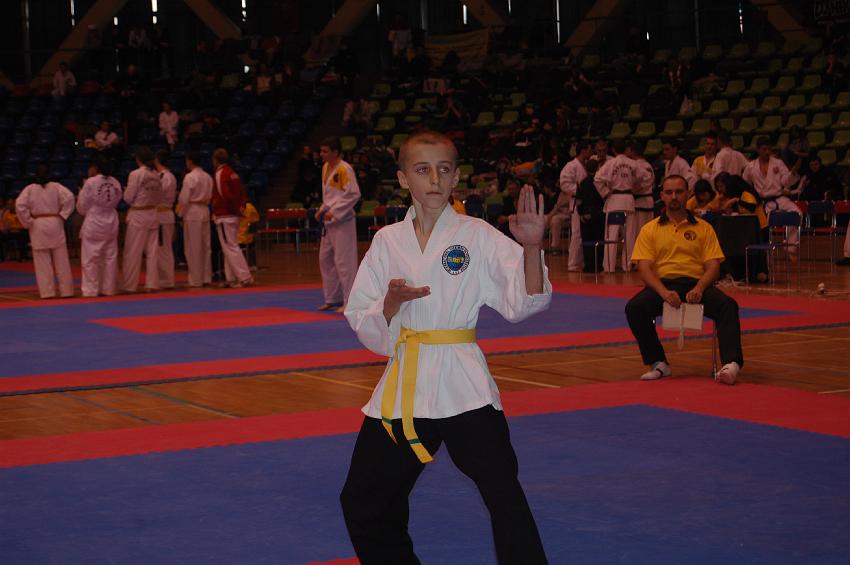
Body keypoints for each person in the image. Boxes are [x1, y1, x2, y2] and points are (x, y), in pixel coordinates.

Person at [341, 130, 550, 564]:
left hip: (462, 381)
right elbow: (361, 314)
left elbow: (523, 301)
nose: (434, 179)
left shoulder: (477, 235)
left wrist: (532, 249)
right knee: (364, 500)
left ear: (456, 177)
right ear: (404, 179)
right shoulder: (386, 241)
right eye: (423, 169)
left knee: (503, 494)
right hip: (405, 384)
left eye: (444, 169)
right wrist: (391, 303)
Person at [626, 175, 743, 385]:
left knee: (728, 306)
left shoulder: (703, 228)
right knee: (635, 308)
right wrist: (663, 293)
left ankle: (731, 364)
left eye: (679, 192)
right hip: (664, 286)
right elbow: (644, 268)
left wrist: (699, 288)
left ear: (687, 194)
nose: (674, 197)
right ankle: (658, 362)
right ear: (662, 196)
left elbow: (713, 267)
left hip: (696, 285)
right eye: (669, 192)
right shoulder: (650, 229)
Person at [15, 166, 75, 299]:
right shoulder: (56, 186)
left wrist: (28, 221)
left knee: (42, 262)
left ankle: (47, 292)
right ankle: (67, 291)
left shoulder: (29, 189)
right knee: (62, 260)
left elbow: (19, 205)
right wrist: (63, 214)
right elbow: (70, 197)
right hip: (55, 222)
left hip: (38, 224)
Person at [316, 137, 360, 311]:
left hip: (343, 221)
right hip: (329, 222)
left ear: (335, 152)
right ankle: (333, 297)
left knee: (344, 262)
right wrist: (323, 209)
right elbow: (331, 196)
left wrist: (334, 211)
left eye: (325, 151)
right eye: (321, 151)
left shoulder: (344, 169)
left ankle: (350, 301)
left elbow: (353, 194)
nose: (321, 154)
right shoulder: (325, 167)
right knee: (325, 259)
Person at [594, 139, 652, 272]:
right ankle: (627, 265)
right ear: (626, 150)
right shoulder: (633, 163)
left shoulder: (610, 163)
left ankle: (609, 267)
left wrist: (606, 192)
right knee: (629, 236)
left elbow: (597, 179)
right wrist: (636, 187)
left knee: (611, 236)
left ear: (613, 150)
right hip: (629, 200)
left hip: (614, 200)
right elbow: (647, 177)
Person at [742, 137, 800, 259]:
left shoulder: (778, 163)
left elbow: (785, 181)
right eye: (764, 149)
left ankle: (790, 247)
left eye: (769, 149)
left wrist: (793, 172)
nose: (767, 152)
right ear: (758, 150)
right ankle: (762, 254)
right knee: (761, 225)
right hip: (763, 202)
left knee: (797, 213)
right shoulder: (751, 166)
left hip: (779, 198)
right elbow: (745, 183)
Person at [76, 157, 122, 297]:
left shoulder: (91, 182)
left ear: (96, 168)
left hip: (95, 221)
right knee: (110, 258)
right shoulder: (116, 182)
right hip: (111, 221)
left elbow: (82, 207)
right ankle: (109, 289)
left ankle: (90, 290)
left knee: (90, 258)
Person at [122, 147, 163, 293]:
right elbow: (159, 197)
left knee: (133, 251)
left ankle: (130, 285)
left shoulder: (136, 174)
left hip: (139, 215)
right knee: (152, 252)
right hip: (152, 213)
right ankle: (152, 284)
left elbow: (128, 198)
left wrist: (125, 191)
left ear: (138, 159)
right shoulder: (156, 175)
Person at [211, 148, 253, 288]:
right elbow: (241, 193)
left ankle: (244, 276)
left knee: (230, 247)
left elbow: (225, 194)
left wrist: (234, 208)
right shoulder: (232, 173)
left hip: (225, 215)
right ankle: (231, 277)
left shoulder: (220, 173)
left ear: (215, 160)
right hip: (233, 215)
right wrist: (240, 208)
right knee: (230, 246)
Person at [177, 151, 213, 287]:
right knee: (205, 246)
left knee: (193, 247)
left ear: (190, 161)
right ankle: (206, 277)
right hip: (204, 210)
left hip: (192, 211)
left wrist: (180, 214)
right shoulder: (208, 177)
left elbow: (183, 198)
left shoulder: (190, 177)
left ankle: (195, 279)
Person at [556, 140, 591, 268]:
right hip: (577, 201)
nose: (591, 152)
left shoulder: (585, 164)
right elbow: (564, 184)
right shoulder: (571, 166)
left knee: (583, 233)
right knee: (577, 232)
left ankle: (581, 261)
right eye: (589, 150)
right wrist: (580, 190)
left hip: (586, 202)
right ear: (583, 151)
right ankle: (573, 263)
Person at [154, 150, 177, 288]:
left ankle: (167, 280)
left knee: (163, 249)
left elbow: (158, 194)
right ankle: (164, 278)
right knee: (161, 249)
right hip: (163, 214)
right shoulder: (166, 176)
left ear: (157, 160)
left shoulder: (165, 177)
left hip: (163, 215)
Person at [238, 200, 259, 270]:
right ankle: (252, 264)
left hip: (241, 236)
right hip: (248, 235)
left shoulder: (246, 208)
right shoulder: (250, 207)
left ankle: (243, 265)